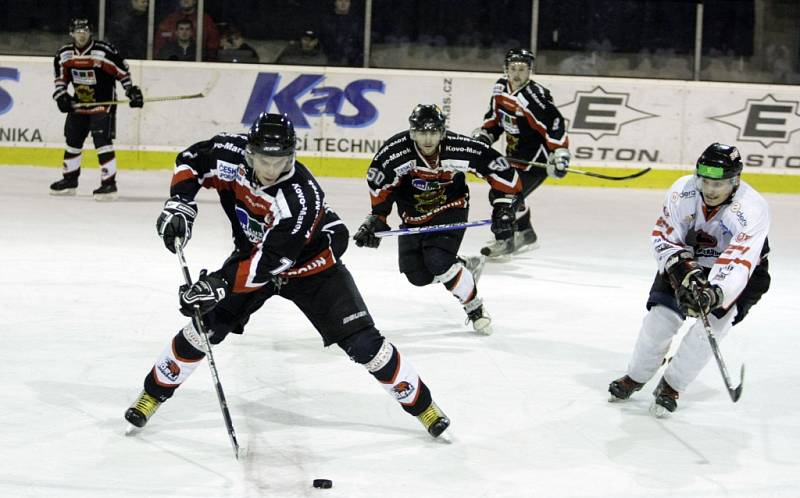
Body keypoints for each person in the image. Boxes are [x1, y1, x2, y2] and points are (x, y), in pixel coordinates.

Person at [124, 113, 450, 439]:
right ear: (249, 152)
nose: (270, 170)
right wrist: (180, 202)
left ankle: (424, 406)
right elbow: (191, 161)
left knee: (365, 345)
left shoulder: (300, 197)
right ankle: (152, 394)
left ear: (292, 156)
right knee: (202, 328)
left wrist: (218, 284)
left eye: (279, 161)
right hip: (254, 254)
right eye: (264, 160)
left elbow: (268, 264)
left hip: (312, 268)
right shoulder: (229, 154)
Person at [608, 143, 771, 417]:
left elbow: (740, 259)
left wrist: (715, 292)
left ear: (735, 181)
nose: (710, 190)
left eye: (718, 184)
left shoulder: (752, 207)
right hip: (688, 263)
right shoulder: (682, 191)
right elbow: (665, 236)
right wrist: (681, 268)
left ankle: (672, 385)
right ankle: (636, 375)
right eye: (705, 181)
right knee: (659, 320)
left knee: (709, 332)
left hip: (740, 276)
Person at [353, 104, 523, 335]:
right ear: (412, 132)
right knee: (418, 276)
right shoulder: (393, 154)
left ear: (442, 132)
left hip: (450, 208)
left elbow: (503, 173)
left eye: (433, 132)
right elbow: (380, 188)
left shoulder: (461, 148)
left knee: (437, 260)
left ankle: (475, 308)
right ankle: (464, 268)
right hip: (413, 215)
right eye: (422, 132)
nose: (428, 139)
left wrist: (504, 207)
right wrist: (376, 219)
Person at [472, 48, 571, 257]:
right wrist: (485, 135)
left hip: (537, 162)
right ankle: (526, 233)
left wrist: (559, 152)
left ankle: (505, 242)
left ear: (530, 71)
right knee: (503, 194)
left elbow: (554, 124)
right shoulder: (500, 88)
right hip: (514, 156)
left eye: (523, 69)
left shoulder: (533, 96)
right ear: (506, 69)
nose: (517, 74)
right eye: (513, 68)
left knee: (506, 197)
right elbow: (496, 120)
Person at [49, 18, 144, 201]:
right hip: (79, 104)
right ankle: (69, 180)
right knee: (73, 140)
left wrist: (131, 90)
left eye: (84, 30)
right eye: (78, 31)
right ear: (71, 33)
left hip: (103, 104)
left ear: (90, 32)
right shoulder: (64, 55)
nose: (81, 34)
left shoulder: (103, 52)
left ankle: (109, 183)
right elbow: (60, 79)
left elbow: (122, 72)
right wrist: (61, 96)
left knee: (102, 142)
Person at [155, 0, 220, 60]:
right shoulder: (169, 20)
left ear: (195, 1)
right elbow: (158, 47)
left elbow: (213, 48)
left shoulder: (205, 21)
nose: (185, 0)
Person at [319, 0, 363, 66]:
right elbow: (324, 41)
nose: (343, 4)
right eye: (340, 1)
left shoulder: (357, 22)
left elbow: (361, 41)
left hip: (353, 61)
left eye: (346, 1)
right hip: (331, 60)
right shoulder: (326, 21)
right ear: (335, 2)